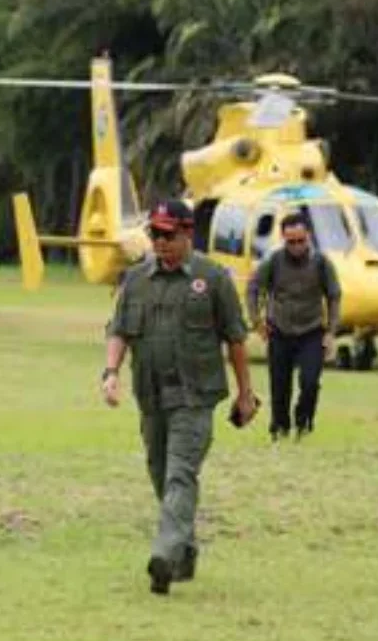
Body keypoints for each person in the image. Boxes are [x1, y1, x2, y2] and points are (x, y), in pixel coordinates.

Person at [101, 199, 257, 596]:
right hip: (151, 395)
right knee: (160, 473)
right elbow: (119, 330)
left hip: (194, 396)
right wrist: (111, 373)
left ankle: (164, 557)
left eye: (168, 235)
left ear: (188, 233)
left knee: (179, 474)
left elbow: (236, 339)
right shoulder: (136, 279)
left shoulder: (213, 278)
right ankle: (183, 550)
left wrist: (245, 394)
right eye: (154, 234)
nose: (160, 242)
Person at [246, 212, 341, 442]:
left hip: (312, 332)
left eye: (301, 241)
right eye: (291, 242)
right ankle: (280, 427)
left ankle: (304, 422)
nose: (296, 246)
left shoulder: (321, 263)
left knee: (310, 383)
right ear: (283, 238)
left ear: (308, 236)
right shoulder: (274, 261)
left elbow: (334, 296)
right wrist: (257, 321)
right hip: (279, 331)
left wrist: (331, 332)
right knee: (279, 385)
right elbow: (253, 288)